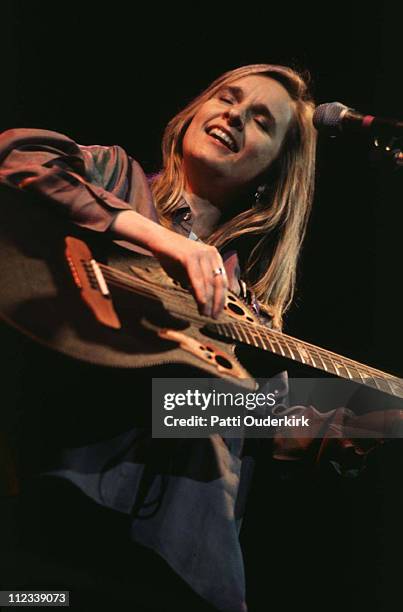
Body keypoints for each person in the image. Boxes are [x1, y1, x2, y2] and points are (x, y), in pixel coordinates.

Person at [0, 63, 396, 611]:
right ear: (193, 114)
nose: (234, 114)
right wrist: (159, 239)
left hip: (179, 564)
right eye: (227, 98)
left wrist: (338, 427)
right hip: (63, 513)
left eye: (260, 120)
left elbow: (185, 411)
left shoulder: (249, 312)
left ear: (273, 172)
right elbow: (15, 157)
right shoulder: (115, 176)